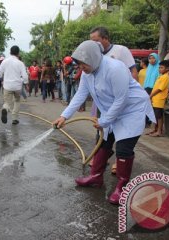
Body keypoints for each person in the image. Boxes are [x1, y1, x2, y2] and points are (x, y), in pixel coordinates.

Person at [52, 40, 155, 205]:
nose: (81, 68)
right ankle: (95, 177)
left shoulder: (115, 68)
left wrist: (105, 121)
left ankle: (122, 188)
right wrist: (64, 116)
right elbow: (80, 95)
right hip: (112, 111)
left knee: (123, 149)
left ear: (93, 58)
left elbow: (122, 99)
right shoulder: (87, 73)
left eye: (83, 64)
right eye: (79, 65)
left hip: (131, 111)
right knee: (103, 143)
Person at [90, 26, 138, 174]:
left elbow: (133, 72)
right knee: (101, 129)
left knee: (122, 132)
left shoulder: (121, 50)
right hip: (103, 101)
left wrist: (129, 97)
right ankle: (99, 158)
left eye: (96, 40)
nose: (94, 44)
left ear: (105, 38)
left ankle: (119, 161)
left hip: (121, 100)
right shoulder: (94, 55)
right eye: (91, 41)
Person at [0, 46, 28, 125]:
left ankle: (5, 109)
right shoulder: (20, 63)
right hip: (17, 86)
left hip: (7, 86)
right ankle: (14, 118)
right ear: (18, 53)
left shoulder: (5, 61)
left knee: (7, 102)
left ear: (10, 52)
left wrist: (2, 79)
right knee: (17, 101)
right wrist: (26, 83)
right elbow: (25, 76)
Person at [148, 60, 169, 137]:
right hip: (155, 99)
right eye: (159, 67)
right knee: (155, 115)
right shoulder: (161, 76)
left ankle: (159, 131)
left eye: (161, 68)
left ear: (167, 68)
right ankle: (155, 129)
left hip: (159, 99)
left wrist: (151, 95)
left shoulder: (165, 77)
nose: (159, 69)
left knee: (159, 116)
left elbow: (159, 89)